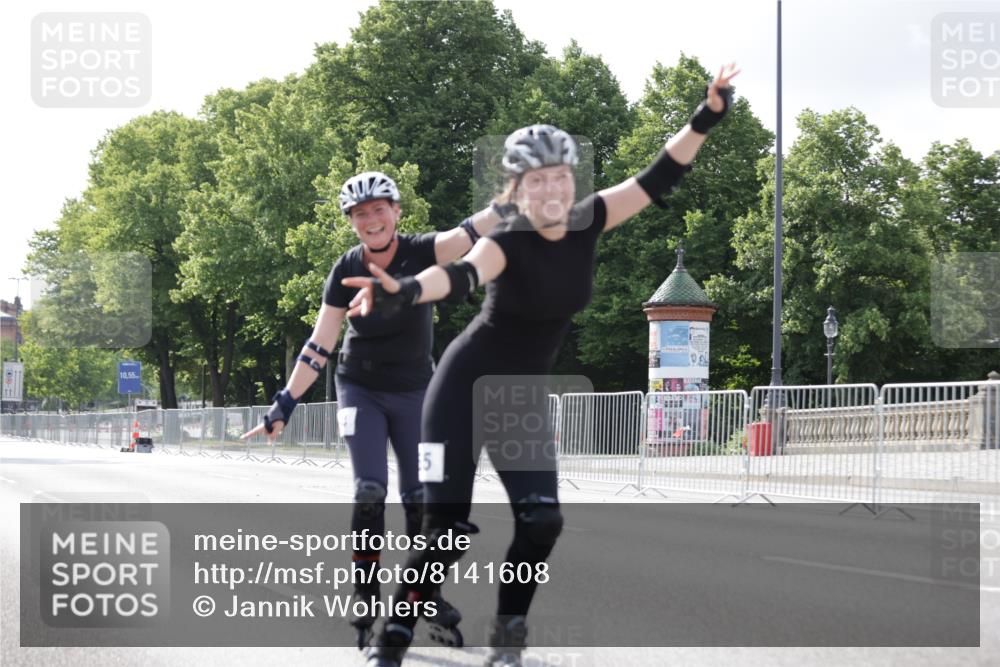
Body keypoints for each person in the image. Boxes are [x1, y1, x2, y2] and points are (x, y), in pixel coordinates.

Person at [345, 64, 740, 667]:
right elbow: (458, 275)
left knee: (542, 520)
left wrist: (707, 115)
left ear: (570, 180)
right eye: (536, 181)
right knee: (444, 532)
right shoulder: (507, 238)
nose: (551, 190)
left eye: (560, 177)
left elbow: (659, 175)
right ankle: (392, 636)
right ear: (517, 189)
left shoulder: (592, 218)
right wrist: (404, 291)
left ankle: (509, 636)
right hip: (461, 389)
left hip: (519, 398)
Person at [241, 169, 507, 649]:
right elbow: (319, 343)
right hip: (359, 388)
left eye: (379, 209)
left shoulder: (422, 250)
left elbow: (467, 234)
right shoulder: (345, 269)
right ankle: (365, 597)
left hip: (414, 392)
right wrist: (285, 402)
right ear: (351, 222)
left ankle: (424, 594)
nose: (371, 219)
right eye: (360, 214)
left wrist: (510, 202)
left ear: (396, 212)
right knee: (369, 490)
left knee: (420, 500)